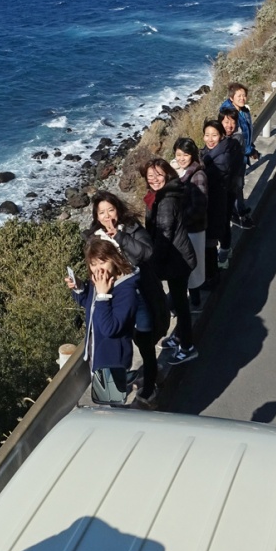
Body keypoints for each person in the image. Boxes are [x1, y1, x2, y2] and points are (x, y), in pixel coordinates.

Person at [87, 191, 169, 407]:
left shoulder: (131, 228)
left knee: (145, 342)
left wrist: (120, 237)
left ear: (118, 210)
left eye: (110, 210)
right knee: (121, 341)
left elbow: (147, 253)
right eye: (101, 212)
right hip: (114, 299)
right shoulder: (94, 237)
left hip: (139, 296)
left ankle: (150, 385)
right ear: (96, 216)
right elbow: (93, 268)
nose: (107, 216)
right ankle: (128, 376)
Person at [65, 237, 139, 400]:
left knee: (111, 405)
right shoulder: (100, 282)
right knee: (106, 400)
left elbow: (109, 328)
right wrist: (79, 288)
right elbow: (91, 306)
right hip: (97, 354)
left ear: (114, 259)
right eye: (93, 264)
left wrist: (103, 295)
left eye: (102, 262)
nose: (98, 269)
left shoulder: (127, 292)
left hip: (113, 360)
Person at [141, 157, 198, 366]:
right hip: (178, 257)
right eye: (150, 176)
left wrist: (152, 264)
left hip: (177, 260)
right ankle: (180, 336)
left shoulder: (165, 201)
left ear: (167, 174)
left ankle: (188, 346)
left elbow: (164, 234)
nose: (154, 179)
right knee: (177, 298)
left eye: (158, 174)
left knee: (181, 303)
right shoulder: (164, 194)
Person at [200, 118, 239, 284]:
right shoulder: (209, 153)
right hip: (216, 206)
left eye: (214, 135)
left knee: (209, 246)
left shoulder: (221, 159)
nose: (210, 139)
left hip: (215, 208)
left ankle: (212, 279)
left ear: (221, 136)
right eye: (207, 135)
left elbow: (209, 182)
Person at [171, 137, 207, 308]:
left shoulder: (197, 175)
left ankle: (195, 302)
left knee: (192, 266)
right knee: (189, 265)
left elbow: (199, 207)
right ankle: (192, 300)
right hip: (186, 228)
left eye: (185, 154)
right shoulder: (182, 172)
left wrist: (179, 220)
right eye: (178, 155)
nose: (181, 158)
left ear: (192, 154)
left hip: (193, 229)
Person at [218, 106, 252, 227]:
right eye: (226, 122)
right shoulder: (216, 137)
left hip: (235, 174)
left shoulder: (238, 138)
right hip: (223, 178)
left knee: (237, 191)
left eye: (233, 122)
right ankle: (237, 214)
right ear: (220, 122)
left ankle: (239, 215)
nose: (230, 125)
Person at [220, 82, 260, 165]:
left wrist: (250, 147)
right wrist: (251, 151)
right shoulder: (228, 114)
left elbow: (246, 133)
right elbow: (235, 138)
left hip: (243, 153)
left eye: (244, 95)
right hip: (233, 155)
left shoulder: (244, 111)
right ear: (231, 98)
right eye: (239, 96)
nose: (242, 98)